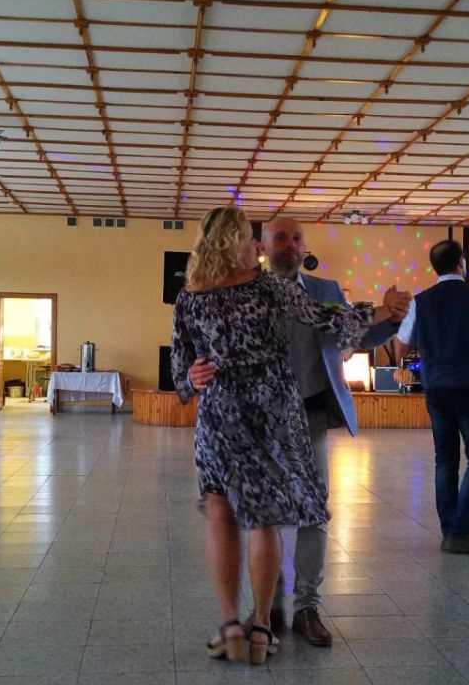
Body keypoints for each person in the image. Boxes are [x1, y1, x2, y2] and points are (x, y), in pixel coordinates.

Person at [171, 207, 410, 664]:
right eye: (250, 237)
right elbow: (329, 319)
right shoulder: (268, 286)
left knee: (221, 514)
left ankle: (233, 624)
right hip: (273, 413)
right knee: (265, 519)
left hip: (221, 416)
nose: (256, 245)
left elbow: (180, 368)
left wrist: (193, 377)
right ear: (236, 242)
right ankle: (262, 625)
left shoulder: (190, 297)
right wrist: (380, 309)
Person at [395, 240, 469, 554]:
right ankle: (460, 531)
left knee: (445, 461)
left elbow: (401, 346)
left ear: (434, 267)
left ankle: (448, 529)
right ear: (462, 262)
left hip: (437, 389)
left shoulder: (421, 301)